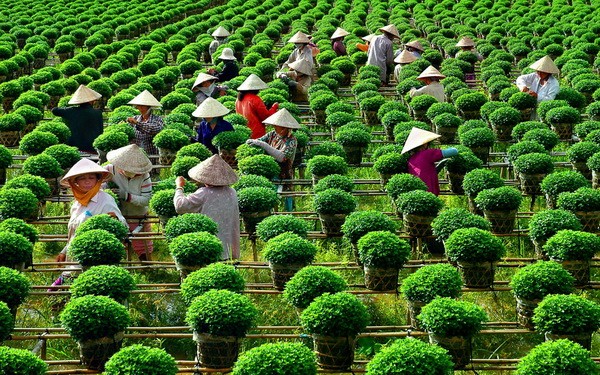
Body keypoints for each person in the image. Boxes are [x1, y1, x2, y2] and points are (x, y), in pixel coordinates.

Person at [56, 158, 127, 262]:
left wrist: (116, 220)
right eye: (82, 178)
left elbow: (122, 225)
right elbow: (74, 233)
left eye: (91, 178)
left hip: (95, 257)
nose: (87, 181)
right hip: (74, 258)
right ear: (76, 182)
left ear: (97, 180)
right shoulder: (76, 205)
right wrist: (64, 252)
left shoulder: (105, 200)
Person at [174, 155, 240, 260]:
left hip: (210, 242)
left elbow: (180, 206)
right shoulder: (232, 192)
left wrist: (179, 187)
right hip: (229, 243)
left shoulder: (203, 193)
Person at [104, 144, 154, 261]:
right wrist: (107, 190)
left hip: (138, 216)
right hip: (116, 215)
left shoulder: (144, 176)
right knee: (116, 244)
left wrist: (126, 196)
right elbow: (98, 185)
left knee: (143, 246)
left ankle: (148, 267)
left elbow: (146, 200)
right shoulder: (110, 170)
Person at [246, 108, 299, 211]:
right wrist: (252, 142)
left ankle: (289, 213)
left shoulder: (291, 140)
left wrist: (264, 145)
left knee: (286, 195)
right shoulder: (272, 134)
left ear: (284, 127)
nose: (274, 127)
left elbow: (282, 157)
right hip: (270, 170)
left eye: (276, 125)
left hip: (284, 172)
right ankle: (274, 212)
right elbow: (260, 141)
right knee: (271, 193)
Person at [401, 127, 458, 196]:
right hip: (430, 191)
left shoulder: (411, 159)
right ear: (425, 144)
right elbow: (453, 152)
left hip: (416, 193)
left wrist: (441, 163)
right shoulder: (427, 154)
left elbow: (426, 171)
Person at [51, 84, 103, 154]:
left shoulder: (71, 111)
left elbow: (54, 110)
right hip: (92, 147)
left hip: (75, 147)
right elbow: (101, 131)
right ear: (91, 101)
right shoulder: (98, 113)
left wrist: (67, 107)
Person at [235, 74, 279, 139]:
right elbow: (266, 117)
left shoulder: (238, 99)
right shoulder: (255, 99)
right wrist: (274, 107)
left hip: (243, 131)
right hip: (256, 132)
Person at [126, 90, 164, 156]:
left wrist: (137, 123)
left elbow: (156, 129)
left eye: (143, 106)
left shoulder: (157, 119)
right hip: (136, 155)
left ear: (149, 107)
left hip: (152, 155)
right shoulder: (135, 118)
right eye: (139, 106)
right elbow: (129, 133)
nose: (140, 108)